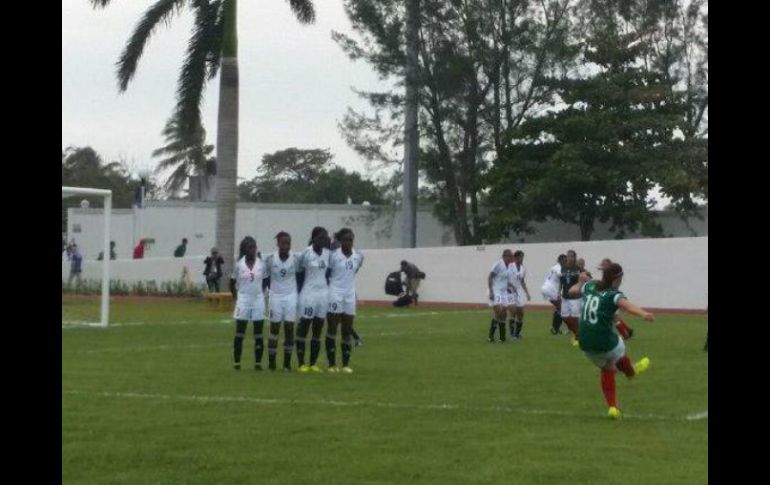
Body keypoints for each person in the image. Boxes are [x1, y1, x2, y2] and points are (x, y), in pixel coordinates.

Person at [568, 262, 654, 419]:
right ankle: (631, 371)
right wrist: (644, 314)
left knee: (607, 367)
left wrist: (580, 282)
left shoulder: (590, 286)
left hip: (584, 342)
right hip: (604, 341)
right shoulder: (613, 295)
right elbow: (627, 306)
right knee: (619, 349)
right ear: (617, 278)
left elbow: (571, 291)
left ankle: (613, 408)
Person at [326, 228, 364, 373]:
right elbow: (327, 274)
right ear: (340, 241)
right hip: (335, 293)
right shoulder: (333, 256)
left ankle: (346, 365)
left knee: (347, 329)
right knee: (332, 329)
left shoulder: (358, 256)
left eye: (351, 240)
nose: (348, 243)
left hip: (349, 294)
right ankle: (331, 365)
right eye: (346, 240)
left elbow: (354, 271)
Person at [296, 227, 331, 373]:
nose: (324, 240)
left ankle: (313, 363)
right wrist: (298, 293)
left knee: (318, 328)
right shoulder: (305, 254)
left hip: (323, 295)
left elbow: (328, 273)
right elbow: (299, 274)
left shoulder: (328, 254)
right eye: (321, 237)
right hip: (308, 294)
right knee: (304, 327)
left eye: (325, 237)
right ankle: (301, 363)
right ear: (314, 238)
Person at [263, 232, 301, 371]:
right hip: (275, 296)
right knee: (274, 329)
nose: (286, 246)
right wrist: (270, 291)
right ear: (278, 243)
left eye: (288, 243)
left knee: (289, 328)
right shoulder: (270, 259)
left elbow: (300, 276)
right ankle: (272, 363)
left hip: (291, 296)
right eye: (284, 243)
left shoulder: (295, 259)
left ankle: (286, 364)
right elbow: (266, 277)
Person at [230, 236, 268, 370]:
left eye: (254, 247)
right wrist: (237, 297)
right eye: (249, 247)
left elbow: (266, 281)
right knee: (240, 333)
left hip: (258, 300)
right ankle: (237, 363)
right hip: (243, 300)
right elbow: (232, 282)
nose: (252, 250)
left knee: (258, 333)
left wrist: (260, 293)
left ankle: (258, 363)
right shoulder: (239, 265)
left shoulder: (261, 264)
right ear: (244, 249)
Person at [597, 258, 634, 340]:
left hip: (612, 299)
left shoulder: (610, 276)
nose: (602, 266)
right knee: (615, 317)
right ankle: (628, 330)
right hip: (612, 298)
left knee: (614, 317)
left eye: (604, 264)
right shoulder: (609, 274)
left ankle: (625, 335)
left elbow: (611, 288)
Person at [487, 249, 514, 342]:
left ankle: (502, 338)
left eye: (511, 256)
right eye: (510, 256)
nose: (511, 258)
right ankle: (490, 336)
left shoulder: (510, 266)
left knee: (504, 314)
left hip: (504, 292)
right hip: (496, 291)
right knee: (498, 313)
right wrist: (491, 291)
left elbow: (505, 280)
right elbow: (490, 277)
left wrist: (511, 287)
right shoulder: (498, 264)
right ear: (505, 256)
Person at [560, 250, 582, 346]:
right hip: (565, 296)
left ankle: (577, 336)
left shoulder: (578, 269)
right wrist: (558, 292)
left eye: (572, 256)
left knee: (575, 317)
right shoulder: (563, 268)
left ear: (575, 257)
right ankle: (577, 333)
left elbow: (583, 281)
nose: (570, 258)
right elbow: (561, 282)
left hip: (575, 297)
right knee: (564, 317)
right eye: (568, 256)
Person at [508, 250, 531, 339]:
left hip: (519, 292)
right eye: (520, 257)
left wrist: (527, 293)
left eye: (522, 257)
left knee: (521, 313)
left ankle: (517, 333)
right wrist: (510, 286)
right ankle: (512, 334)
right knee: (513, 311)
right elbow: (505, 278)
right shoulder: (510, 266)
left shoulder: (523, 269)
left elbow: (522, 282)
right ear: (515, 258)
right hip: (509, 291)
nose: (521, 259)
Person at [542, 254, 566, 335]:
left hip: (547, 288)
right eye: (565, 260)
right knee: (561, 307)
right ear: (560, 260)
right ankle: (555, 328)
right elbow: (560, 274)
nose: (566, 262)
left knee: (560, 307)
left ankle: (555, 328)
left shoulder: (554, 267)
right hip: (550, 289)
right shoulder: (558, 267)